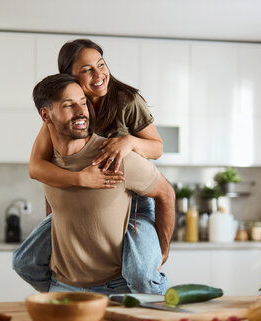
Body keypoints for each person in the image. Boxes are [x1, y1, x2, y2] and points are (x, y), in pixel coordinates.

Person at [13, 39, 173, 294]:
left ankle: (160, 299)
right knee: (23, 261)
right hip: (80, 196)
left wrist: (128, 142)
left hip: (132, 199)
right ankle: (59, 288)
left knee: (141, 273)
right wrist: (80, 181)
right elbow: (37, 167)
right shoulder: (61, 111)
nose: (98, 75)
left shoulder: (126, 101)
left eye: (101, 65)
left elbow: (157, 148)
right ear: (70, 78)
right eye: (87, 70)